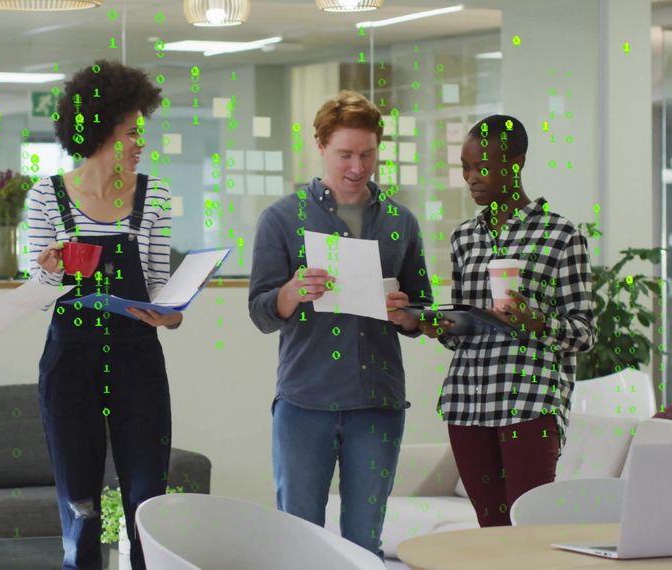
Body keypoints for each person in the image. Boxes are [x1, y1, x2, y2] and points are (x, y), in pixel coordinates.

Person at [248, 90, 433, 559]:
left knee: (365, 543)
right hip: (304, 401)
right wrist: (292, 292)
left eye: (367, 154)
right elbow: (260, 311)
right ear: (321, 145)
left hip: (378, 402)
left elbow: (423, 312)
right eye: (345, 154)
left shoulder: (401, 222)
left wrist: (406, 314)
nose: (357, 166)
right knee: (300, 540)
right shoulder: (281, 218)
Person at [25, 59, 176, 570]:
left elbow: (160, 290)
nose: (140, 142)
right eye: (132, 132)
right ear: (100, 130)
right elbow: (39, 296)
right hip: (70, 365)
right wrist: (50, 273)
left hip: (139, 362)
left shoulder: (154, 195)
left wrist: (171, 315)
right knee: (80, 506)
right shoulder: (46, 197)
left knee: (147, 498)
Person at [420, 114, 595, 527]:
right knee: (490, 530)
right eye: (465, 167)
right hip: (467, 402)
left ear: (516, 164)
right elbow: (464, 324)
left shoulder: (562, 236)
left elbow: (584, 333)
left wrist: (536, 322)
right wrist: (441, 328)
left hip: (529, 403)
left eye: (481, 166)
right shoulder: (464, 237)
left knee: (527, 529)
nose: (471, 178)